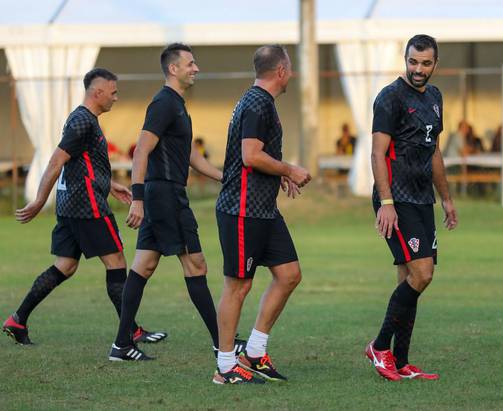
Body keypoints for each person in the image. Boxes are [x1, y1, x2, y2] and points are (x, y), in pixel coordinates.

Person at [3, 68, 166, 346]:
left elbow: (81, 162)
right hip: (87, 207)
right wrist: (40, 200)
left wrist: (110, 184)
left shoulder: (86, 119)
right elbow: (56, 161)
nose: (116, 97)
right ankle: (132, 331)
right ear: (97, 92)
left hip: (71, 205)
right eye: (113, 92)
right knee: (116, 264)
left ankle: (17, 320)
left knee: (65, 266)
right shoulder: (83, 122)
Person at [109, 43, 239, 361]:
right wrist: (137, 199)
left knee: (144, 264)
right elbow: (141, 150)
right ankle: (223, 342)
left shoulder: (178, 105)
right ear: (173, 69)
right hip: (164, 195)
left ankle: (121, 345)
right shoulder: (163, 103)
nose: (196, 68)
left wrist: (226, 177)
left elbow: (191, 155)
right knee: (196, 264)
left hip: (163, 194)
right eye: (190, 63)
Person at [213, 44, 311, 385]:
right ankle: (226, 366)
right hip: (242, 210)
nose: (292, 75)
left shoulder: (259, 101)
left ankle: (254, 352)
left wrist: (279, 173)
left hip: (263, 210)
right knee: (238, 286)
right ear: (281, 71)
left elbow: (257, 154)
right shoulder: (256, 102)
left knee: (289, 274)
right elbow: (250, 155)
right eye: (291, 68)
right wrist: (290, 168)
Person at [367, 34, 458, 382]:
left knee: (409, 279)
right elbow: (377, 153)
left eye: (425, 63)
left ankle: (401, 362)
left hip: (422, 199)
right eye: (412, 62)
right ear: (405, 59)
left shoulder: (435, 97)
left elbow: (433, 151)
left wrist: (446, 198)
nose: (418, 69)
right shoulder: (389, 98)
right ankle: (379, 347)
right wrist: (386, 202)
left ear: (435, 63)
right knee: (423, 275)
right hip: (396, 198)